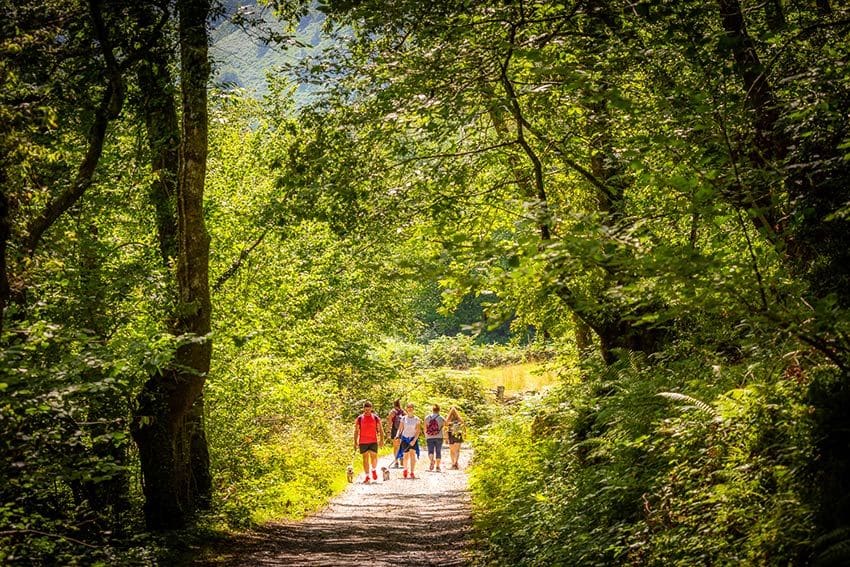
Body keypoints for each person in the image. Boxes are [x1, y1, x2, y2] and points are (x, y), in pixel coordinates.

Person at [354, 401, 383, 483]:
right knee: (365, 458)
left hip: (373, 440)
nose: (367, 411)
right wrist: (355, 441)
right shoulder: (359, 418)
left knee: (374, 457)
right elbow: (356, 431)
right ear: (363, 409)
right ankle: (367, 476)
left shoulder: (376, 418)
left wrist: (381, 440)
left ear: (371, 409)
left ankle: (373, 469)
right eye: (366, 409)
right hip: (363, 441)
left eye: (368, 409)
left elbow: (380, 429)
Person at [395, 402, 421, 479]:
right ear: (406, 409)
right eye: (408, 407)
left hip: (413, 438)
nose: (410, 409)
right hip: (405, 438)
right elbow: (400, 429)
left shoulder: (417, 419)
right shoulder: (403, 418)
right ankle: (405, 469)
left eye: (411, 407)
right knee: (406, 456)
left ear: (413, 409)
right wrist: (397, 436)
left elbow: (418, 431)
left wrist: (414, 440)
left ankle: (412, 472)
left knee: (412, 454)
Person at [423, 404, 446, 472]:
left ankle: (432, 461)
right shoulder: (441, 418)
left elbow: (425, 428)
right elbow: (446, 427)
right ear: (439, 410)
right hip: (439, 437)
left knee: (430, 450)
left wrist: (426, 436)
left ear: (432, 410)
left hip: (429, 437)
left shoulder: (427, 417)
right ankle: (438, 467)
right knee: (438, 451)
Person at [386, 399, 404, 468]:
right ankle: (401, 457)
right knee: (401, 445)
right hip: (402, 430)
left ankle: (396, 461)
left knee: (395, 446)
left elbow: (389, 422)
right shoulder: (403, 412)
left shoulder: (392, 412)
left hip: (394, 430)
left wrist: (388, 432)